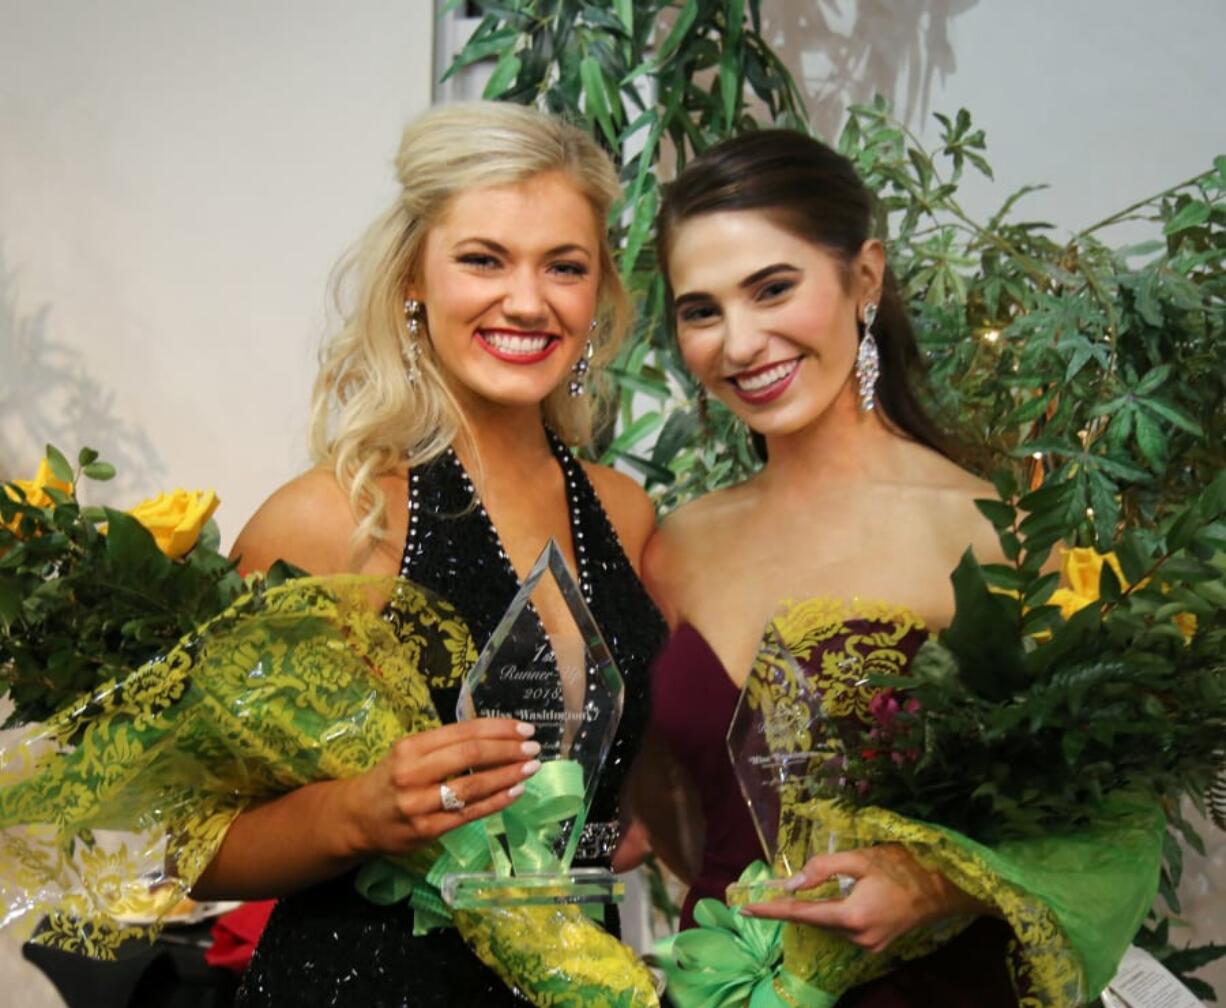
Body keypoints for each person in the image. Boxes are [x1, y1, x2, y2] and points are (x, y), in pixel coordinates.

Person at [190, 101, 666, 1005]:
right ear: (414, 277)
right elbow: (199, 849)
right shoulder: (332, 519)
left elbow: (631, 795)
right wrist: (358, 811)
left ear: (598, 292)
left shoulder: (628, 515)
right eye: (483, 259)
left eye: (564, 266)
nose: (527, 300)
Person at [642, 129, 1078, 1006]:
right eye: (702, 310)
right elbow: (681, 811)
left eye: (773, 288)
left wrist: (937, 885)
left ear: (865, 277)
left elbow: (1100, 818)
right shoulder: (676, 543)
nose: (740, 342)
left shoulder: (999, 534)